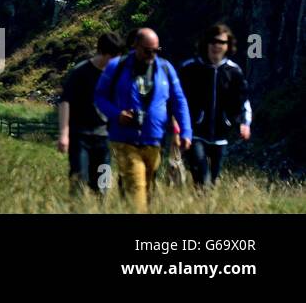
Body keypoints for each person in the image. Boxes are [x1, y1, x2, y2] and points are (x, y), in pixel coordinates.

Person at [94, 28, 192, 213]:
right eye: (148, 50)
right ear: (136, 47)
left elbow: (179, 100)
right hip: (124, 140)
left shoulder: (165, 68)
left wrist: (186, 131)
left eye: (156, 50)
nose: (152, 55)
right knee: (137, 188)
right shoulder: (117, 66)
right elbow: (100, 97)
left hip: (154, 140)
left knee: (147, 192)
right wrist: (117, 114)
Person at [179, 23, 251, 189]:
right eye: (212, 41)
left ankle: (203, 206)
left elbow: (244, 99)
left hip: (221, 135)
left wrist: (245, 123)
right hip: (195, 133)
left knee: (212, 181)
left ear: (228, 46)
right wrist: (177, 125)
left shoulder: (234, 71)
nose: (216, 45)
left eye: (221, 42)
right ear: (206, 43)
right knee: (202, 179)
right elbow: (175, 98)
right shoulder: (190, 68)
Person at [58, 32, 126, 197]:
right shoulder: (79, 72)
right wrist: (64, 135)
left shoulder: (115, 75)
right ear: (103, 53)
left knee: (103, 185)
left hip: (104, 138)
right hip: (80, 136)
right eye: (113, 58)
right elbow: (65, 102)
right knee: (78, 181)